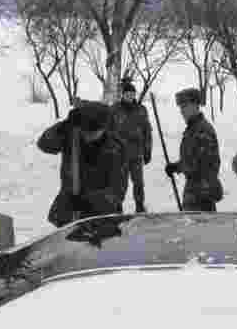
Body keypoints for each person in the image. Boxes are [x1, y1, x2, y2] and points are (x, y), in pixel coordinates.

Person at [37, 100, 127, 227]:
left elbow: (118, 190)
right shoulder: (71, 135)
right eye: (85, 132)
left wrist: (89, 201)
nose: (88, 136)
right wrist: (63, 126)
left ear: (104, 128)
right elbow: (44, 145)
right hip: (69, 209)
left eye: (93, 133)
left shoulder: (116, 148)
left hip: (102, 214)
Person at [164, 88, 223, 211]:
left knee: (198, 228)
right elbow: (191, 158)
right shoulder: (193, 129)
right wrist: (177, 166)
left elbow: (200, 164)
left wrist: (180, 167)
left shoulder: (202, 130)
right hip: (195, 191)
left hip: (201, 194)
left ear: (196, 106)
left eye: (185, 106)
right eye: (180, 107)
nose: (181, 111)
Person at [113, 77, 153, 213]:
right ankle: (117, 207)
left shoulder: (141, 110)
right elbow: (108, 131)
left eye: (132, 94)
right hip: (120, 154)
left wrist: (148, 151)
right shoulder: (115, 110)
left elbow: (147, 131)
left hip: (137, 154)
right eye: (127, 94)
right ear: (122, 95)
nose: (130, 96)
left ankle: (140, 206)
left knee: (139, 183)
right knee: (120, 184)